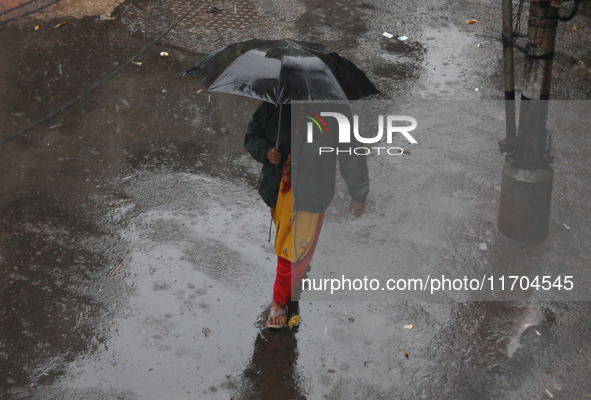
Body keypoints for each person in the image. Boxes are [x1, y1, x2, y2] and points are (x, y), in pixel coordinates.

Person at [244, 101, 369, 329]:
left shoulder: (334, 110)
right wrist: (265, 151)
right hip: (278, 190)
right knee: (291, 245)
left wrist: (358, 192)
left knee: (291, 252)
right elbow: (252, 135)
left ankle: (279, 302)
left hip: (311, 196)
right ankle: (296, 274)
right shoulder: (276, 105)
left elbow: (351, 151)